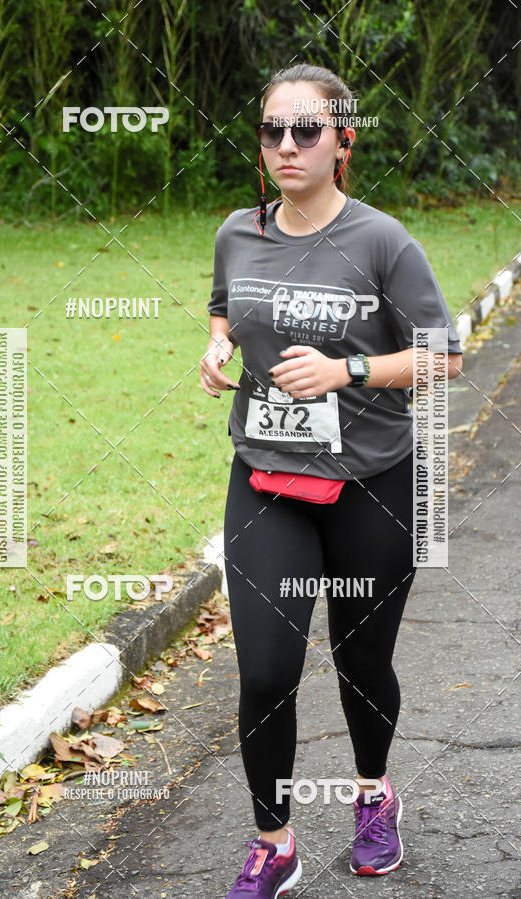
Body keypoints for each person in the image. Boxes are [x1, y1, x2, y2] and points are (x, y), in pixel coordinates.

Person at [199, 63, 463, 897]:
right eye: (272, 130)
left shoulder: (384, 241)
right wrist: (218, 346)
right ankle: (275, 842)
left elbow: (445, 356)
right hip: (267, 478)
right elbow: (225, 304)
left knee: (360, 659)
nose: (285, 145)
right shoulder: (238, 232)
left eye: (305, 130)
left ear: (342, 141)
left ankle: (373, 792)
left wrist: (350, 368)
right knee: (267, 672)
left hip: (373, 484)